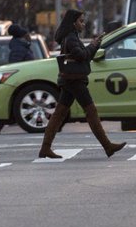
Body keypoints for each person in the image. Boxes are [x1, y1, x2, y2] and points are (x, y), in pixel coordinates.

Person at [38, 9, 126, 159]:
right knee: (91, 111)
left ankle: (45, 148)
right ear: (73, 23)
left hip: (70, 80)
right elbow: (81, 55)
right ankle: (107, 146)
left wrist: (95, 45)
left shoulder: (71, 37)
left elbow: (84, 57)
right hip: (75, 81)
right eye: (81, 21)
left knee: (59, 114)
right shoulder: (71, 38)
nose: (83, 24)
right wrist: (92, 46)